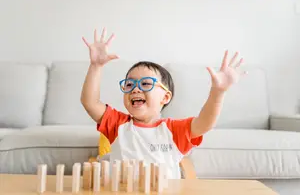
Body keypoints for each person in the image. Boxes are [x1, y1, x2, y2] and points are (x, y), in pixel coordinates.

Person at [81, 28, 247, 179]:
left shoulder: (173, 130)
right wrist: (96, 66)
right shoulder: (118, 124)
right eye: (130, 84)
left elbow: (205, 123)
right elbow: (90, 102)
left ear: (165, 97)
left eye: (146, 84)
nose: (135, 89)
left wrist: (218, 92)